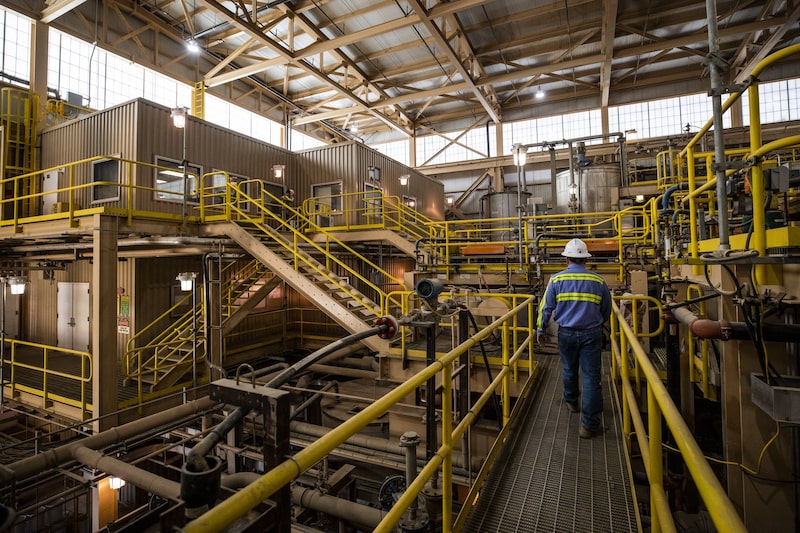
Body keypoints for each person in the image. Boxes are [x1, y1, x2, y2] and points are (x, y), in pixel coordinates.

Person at [536, 238, 612, 439]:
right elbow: (607, 310)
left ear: (566, 260)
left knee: (569, 369)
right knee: (591, 378)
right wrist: (595, 322)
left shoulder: (556, 280)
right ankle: (588, 426)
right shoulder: (599, 281)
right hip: (592, 333)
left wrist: (540, 330)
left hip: (566, 333)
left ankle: (571, 402)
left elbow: (545, 308)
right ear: (585, 259)